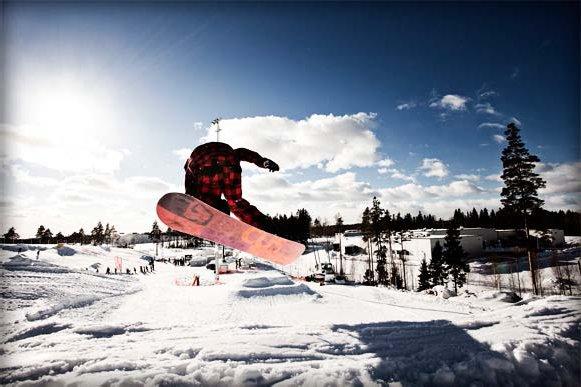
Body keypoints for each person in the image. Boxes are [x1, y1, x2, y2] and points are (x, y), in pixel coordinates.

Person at [184, 142, 279, 229]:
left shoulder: (191, 162)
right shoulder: (230, 151)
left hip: (205, 165)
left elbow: (189, 182)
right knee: (236, 202)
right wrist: (262, 161)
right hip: (230, 162)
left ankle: (219, 210)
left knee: (206, 200)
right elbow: (242, 152)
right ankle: (266, 227)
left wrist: (188, 198)